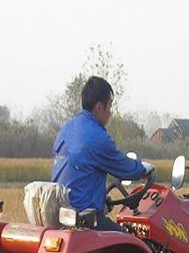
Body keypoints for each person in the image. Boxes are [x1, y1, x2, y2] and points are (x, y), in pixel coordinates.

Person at [51, 76, 153, 232]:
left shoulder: (66, 129)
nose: (110, 112)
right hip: (85, 221)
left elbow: (79, 175)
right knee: (130, 239)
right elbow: (126, 168)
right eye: (110, 106)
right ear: (99, 107)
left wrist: (102, 199)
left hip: (62, 216)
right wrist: (144, 168)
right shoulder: (96, 137)